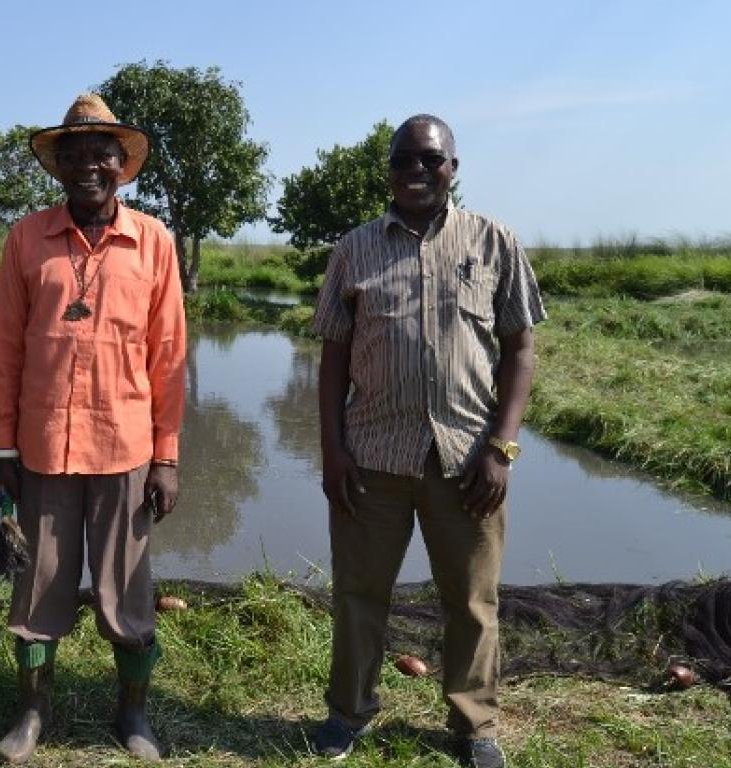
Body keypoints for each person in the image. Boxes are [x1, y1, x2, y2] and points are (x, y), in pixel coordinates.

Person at [311, 115, 545, 768]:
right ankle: (347, 714)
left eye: (431, 160)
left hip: (469, 463)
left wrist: (503, 448)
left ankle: (474, 726)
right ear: (388, 169)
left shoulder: (493, 241)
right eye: (404, 159)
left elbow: (521, 349)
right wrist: (331, 450)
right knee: (359, 595)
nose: (417, 170)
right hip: (372, 460)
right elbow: (332, 356)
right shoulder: (354, 249)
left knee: (472, 601)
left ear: (453, 168)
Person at [0, 93, 187, 764]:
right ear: (60, 167)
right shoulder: (26, 238)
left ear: (123, 165)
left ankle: (133, 716)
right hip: (42, 449)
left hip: (125, 449)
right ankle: (31, 712)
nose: (89, 165)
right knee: (38, 586)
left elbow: (169, 356)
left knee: (126, 592)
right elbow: (6, 349)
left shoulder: (152, 240)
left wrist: (167, 456)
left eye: (103, 152)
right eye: (74, 154)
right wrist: (3, 449)